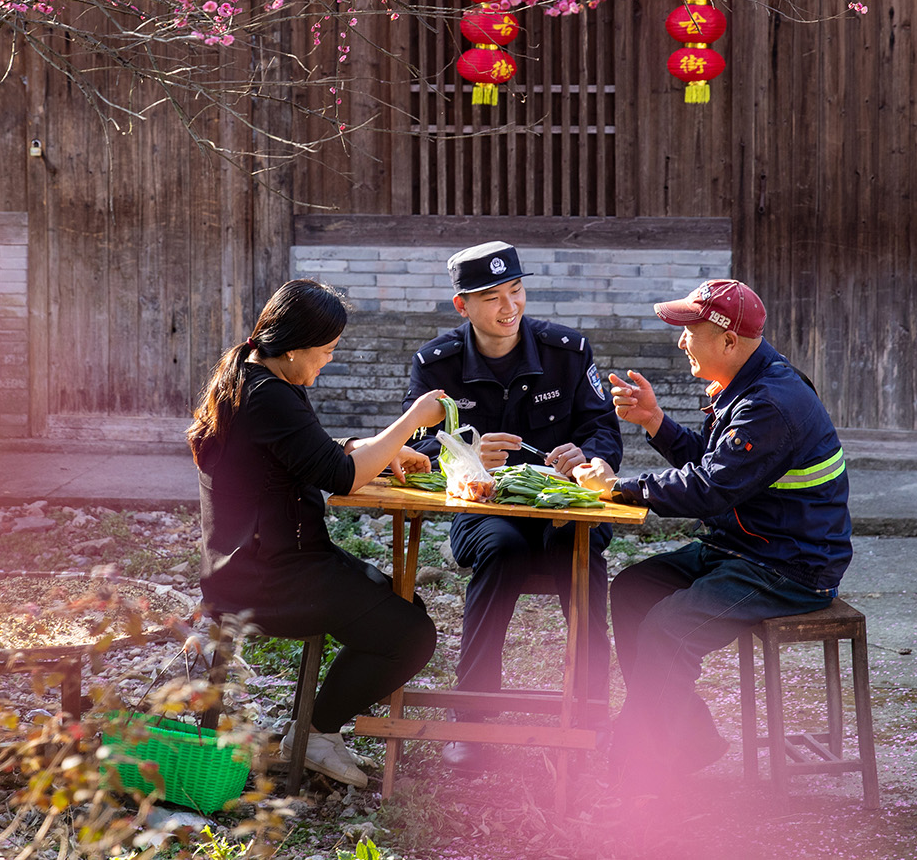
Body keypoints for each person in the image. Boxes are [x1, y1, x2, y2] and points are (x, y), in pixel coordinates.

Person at [572, 278, 851, 791]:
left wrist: (618, 488)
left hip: (788, 566)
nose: (681, 341)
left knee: (667, 630)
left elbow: (709, 490)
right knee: (633, 589)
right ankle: (688, 740)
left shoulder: (770, 403)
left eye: (689, 331)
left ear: (727, 340)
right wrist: (656, 421)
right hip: (741, 548)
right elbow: (715, 466)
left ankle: (645, 770)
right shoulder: (747, 383)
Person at [189, 278, 448, 788]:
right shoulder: (268, 394)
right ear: (293, 347)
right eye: (326, 350)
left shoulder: (249, 375)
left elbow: (306, 449)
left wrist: (370, 446)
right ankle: (315, 734)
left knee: (405, 606)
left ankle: (315, 729)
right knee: (411, 634)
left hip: (255, 564)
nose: (329, 360)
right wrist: (411, 421)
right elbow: (341, 477)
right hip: (271, 578)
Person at [404, 241, 622, 770]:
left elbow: (604, 431)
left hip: (564, 504)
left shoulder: (566, 351)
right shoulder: (437, 364)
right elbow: (412, 448)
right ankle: (472, 719)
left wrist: (586, 454)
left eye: (516, 290)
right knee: (502, 550)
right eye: (492, 297)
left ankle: (591, 715)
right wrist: (465, 455)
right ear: (462, 306)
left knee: (577, 549)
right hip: (484, 510)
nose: (510, 307)